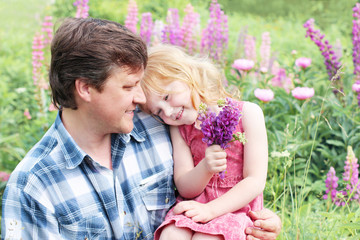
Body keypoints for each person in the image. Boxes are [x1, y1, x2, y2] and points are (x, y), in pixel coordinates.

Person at [1, 17, 280, 240]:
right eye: (128, 87)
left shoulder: (160, 128)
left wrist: (259, 223)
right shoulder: (34, 188)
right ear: (85, 88)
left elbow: (234, 184)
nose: (141, 99)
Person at [141, 44, 269, 240]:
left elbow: (255, 181)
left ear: (187, 74)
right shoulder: (180, 128)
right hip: (196, 204)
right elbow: (185, 187)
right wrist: (206, 167)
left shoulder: (248, 114)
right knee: (171, 235)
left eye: (167, 97)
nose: (167, 112)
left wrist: (211, 210)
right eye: (158, 111)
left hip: (236, 208)